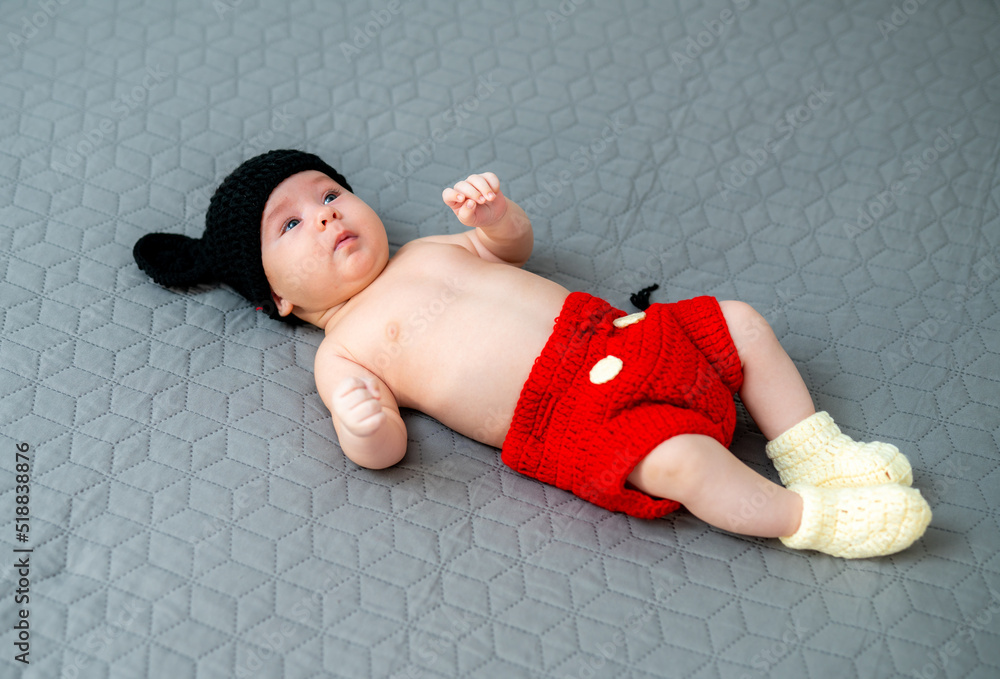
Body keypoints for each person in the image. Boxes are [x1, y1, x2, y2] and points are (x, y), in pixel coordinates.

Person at [134, 149, 932, 559]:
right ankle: (810, 516)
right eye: (291, 224)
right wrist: (362, 419)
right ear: (278, 297)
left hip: (618, 333)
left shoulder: (430, 250)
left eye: (330, 194)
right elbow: (382, 449)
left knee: (740, 322)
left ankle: (817, 451)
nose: (325, 216)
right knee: (688, 464)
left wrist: (498, 214)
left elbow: (508, 249)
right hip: (576, 414)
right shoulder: (342, 349)